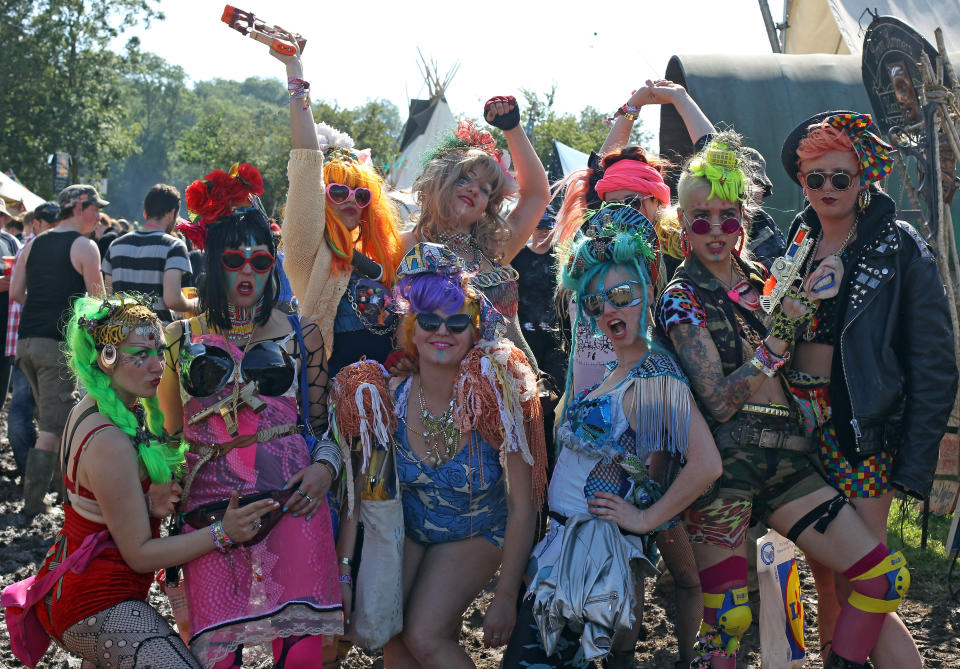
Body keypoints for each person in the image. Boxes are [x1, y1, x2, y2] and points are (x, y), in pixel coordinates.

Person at [657, 132, 917, 668]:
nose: (715, 230)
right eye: (700, 217)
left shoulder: (765, 281)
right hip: (725, 470)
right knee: (727, 622)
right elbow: (720, 400)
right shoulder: (680, 298)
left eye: (728, 217)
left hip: (789, 461)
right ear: (682, 221)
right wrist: (779, 338)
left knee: (883, 577)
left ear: (744, 222)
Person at [500, 204, 721, 669]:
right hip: (563, 555)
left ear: (648, 289)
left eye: (621, 294)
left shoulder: (653, 372)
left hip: (590, 561)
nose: (609, 311)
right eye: (595, 302)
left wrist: (644, 520)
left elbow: (705, 463)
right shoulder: (615, 367)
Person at [781, 111, 957, 668]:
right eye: (816, 178)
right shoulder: (799, 238)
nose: (828, 188)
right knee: (828, 577)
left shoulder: (898, 245)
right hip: (800, 425)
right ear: (801, 181)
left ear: (864, 179)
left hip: (861, 429)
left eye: (841, 176)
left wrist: (914, 461)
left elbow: (936, 360)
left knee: (868, 576)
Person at [18, 294, 278, 669]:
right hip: (95, 603)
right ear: (106, 358)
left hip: (84, 587)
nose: (157, 365)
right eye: (139, 354)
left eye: (158, 351)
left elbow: (102, 508)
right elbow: (139, 555)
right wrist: (224, 532)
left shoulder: (102, 405)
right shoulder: (109, 439)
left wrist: (147, 504)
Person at [159, 163, 343, 668]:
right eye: (234, 260)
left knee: (301, 653)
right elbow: (168, 434)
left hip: (294, 499)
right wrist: (159, 487)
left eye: (261, 262)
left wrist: (325, 468)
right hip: (209, 511)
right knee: (217, 657)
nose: (248, 273)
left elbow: (322, 428)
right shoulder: (179, 339)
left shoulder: (303, 335)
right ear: (213, 262)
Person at [329, 243, 547, 668]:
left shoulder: (495, 393)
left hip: (477, 530)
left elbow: (523, 505)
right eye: (429, 320)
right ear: (411, 327)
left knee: (424, 635)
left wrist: (505, 595)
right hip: (411, 532)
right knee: (390, 632)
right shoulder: (385, 397)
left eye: (456, 322)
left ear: (474, 329)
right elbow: (362, 496)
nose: (442, 332)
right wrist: (344, 575)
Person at [271, 39, 403, 377]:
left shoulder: (382, 257)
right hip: (332, 402)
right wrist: (294, 71)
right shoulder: (308, 254)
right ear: (321, 196)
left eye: (361, 195)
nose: (350, 200)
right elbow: (306, 166)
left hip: (390, 399)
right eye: (338, 191)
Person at [401, 98, 550, 368]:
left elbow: (537, 195)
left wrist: (512, 127)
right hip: (444, 395)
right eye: (464, 178)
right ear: (438, 181)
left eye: (484, 189)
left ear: (488, 205)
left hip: (516, 390)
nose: (473, 189)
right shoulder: (407, 245)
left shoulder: (493, 247)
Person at [12, 184, 106, 517]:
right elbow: (97, 303)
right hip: (57, 345)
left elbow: (16, 291)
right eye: (95, 209)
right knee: (53, 429)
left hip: (26, 343)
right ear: (80, 207)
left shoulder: (34, 244)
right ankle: (36, 506)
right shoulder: (84, 246)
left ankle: (57, 496)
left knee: (53, 421)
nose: (98, 216)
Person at [4, 202, 58, 474]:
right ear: (36, 223)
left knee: (32, 413)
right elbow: (15, 293)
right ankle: (32, 473)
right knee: (31, 414)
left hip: (27, 339)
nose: (52, 224)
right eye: (48, 220)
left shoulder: (26, 246)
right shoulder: (32, 247)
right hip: (31, 340)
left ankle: (33, 474)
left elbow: (14, 292)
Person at [102, 184, 197, 322]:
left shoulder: (115, 246)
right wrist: (195, 304)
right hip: (157, 336)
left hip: (120, 336)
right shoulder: (174, 246)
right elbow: (172, 300)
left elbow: (108, 295)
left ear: (145, 213)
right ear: (171, 214)